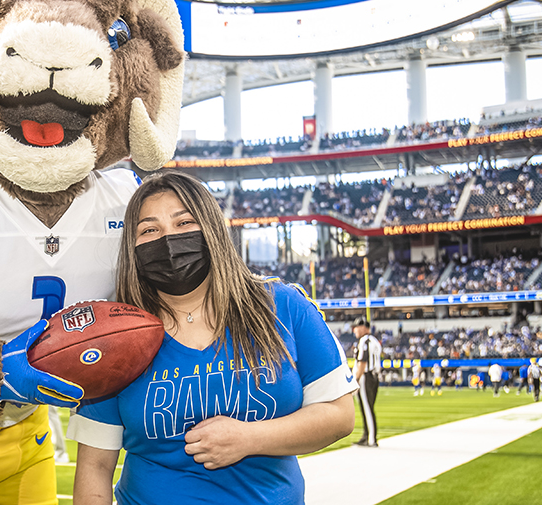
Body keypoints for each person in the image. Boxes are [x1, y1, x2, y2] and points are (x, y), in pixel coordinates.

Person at [68, 172, 357, 505]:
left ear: (212, 229)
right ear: (132, 248)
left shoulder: (284, 305)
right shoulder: (113, 338)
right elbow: (95, 466)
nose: (168, 240)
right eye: (149, 230)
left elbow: (339, 414)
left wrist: (250, 438)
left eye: (184, 223)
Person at [352, 317, 381, 447]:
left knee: (367, 409)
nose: (354, 330)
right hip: (374, 376)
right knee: (368, 407)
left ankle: (371, 439)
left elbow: (362, 362)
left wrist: (356, 380)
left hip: (365, 377)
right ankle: (366, 435)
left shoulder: (364, 341)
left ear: (364, 328)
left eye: (357, 327)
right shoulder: (375, 341)